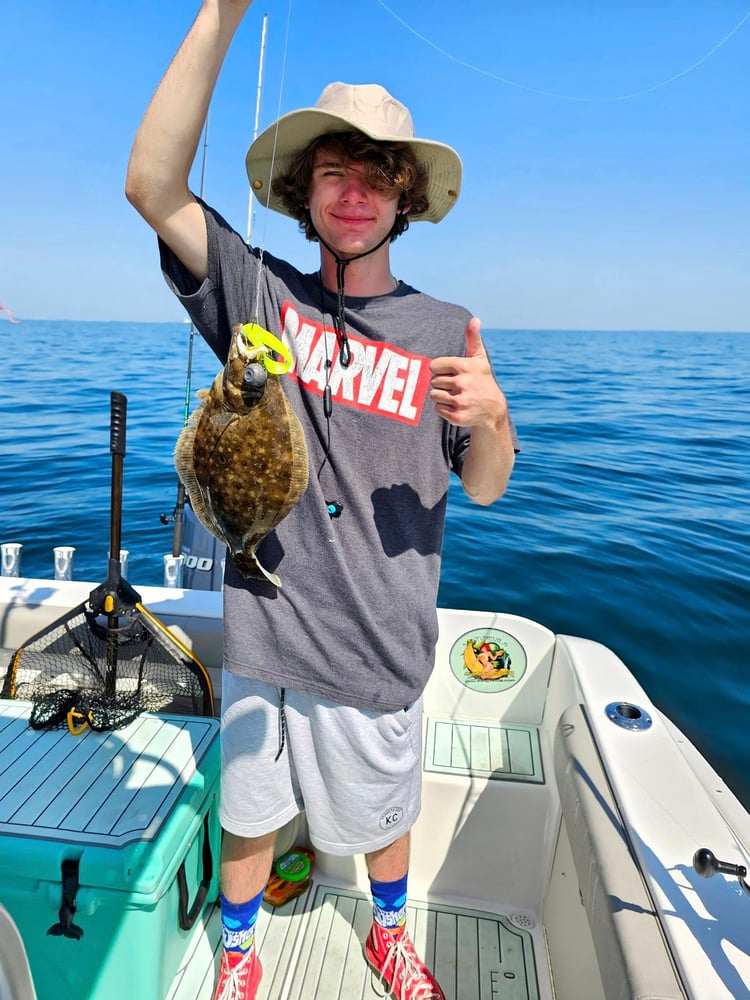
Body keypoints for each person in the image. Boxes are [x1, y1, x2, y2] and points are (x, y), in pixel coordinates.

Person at [126, 2, 518, 998]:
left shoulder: (444, 328)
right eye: (335, 172)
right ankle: (243, 949)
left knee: (384, 814)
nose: (355, 192)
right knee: (249, 808)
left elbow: (484, 485)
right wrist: (221, 14)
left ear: (405, 201)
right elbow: (151, 185)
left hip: (379, 635)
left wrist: (496, 419)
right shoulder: (263, 299)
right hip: (265, 626)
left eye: (379, 177)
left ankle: (389, 930)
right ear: (305, 194)